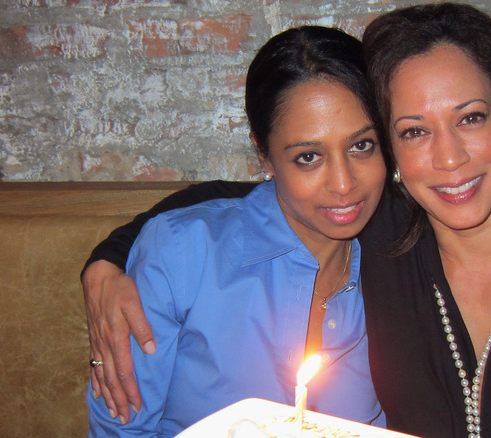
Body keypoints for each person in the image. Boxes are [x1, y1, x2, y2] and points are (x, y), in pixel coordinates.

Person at [82, 4, 491, 437]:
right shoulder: (384, 232)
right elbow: (236, 204)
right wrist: (107, 260)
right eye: (414, 130)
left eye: (470, 118)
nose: (448, 158)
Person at [84, 25, 388, 436]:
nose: (343, 183)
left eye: (361, 146)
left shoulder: (404, 259)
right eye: (309, 156)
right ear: (264, 154)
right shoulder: (184, 254)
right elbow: (122, 429)